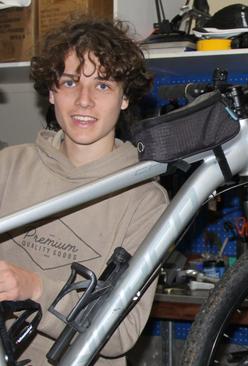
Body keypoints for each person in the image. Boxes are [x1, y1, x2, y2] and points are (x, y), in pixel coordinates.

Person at [0, 18, 169, 365]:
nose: (84, 100)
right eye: (70, 81)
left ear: (125, 98)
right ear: (51, 91)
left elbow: (119, 334)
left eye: (103, 85)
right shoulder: (8, 167)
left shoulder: (145, 200)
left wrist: (35, 289)